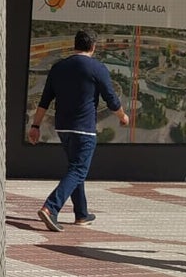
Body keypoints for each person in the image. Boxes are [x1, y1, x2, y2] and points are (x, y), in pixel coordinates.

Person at [27, 29, 130, 232]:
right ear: (93, 46)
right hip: (84, 128)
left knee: (75, 168)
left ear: (74, 45)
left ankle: (81, 214)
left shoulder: (58, 67)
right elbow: (111, 99)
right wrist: (123, 117)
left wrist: (35, 126)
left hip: (63, 128)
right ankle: (50, 207)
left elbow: (44, 101)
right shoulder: (97, 68)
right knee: (78, 170)